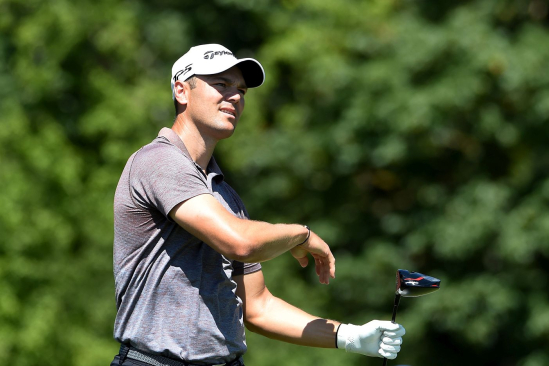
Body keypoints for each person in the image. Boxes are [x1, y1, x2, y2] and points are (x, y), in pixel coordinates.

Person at [111, 44, 405, 366]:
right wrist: (301, 234)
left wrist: (350, 336)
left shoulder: (225, 196)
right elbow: (240, 242)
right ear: (182, 91)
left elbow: (258, 307)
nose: (235, 96)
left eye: (241, 90)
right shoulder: (159, 161)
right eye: (221, 85)